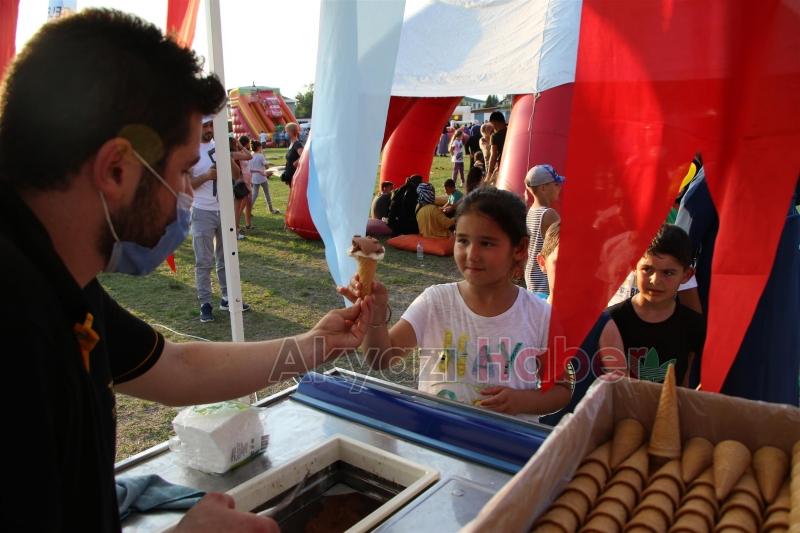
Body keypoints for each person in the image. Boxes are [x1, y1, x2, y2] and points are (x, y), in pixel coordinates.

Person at [0, 11, 373, 531]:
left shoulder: (61, 282)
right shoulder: (15, 320)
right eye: (181, 171)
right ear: (116, 169)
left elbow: (178, 367)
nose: (184, 193)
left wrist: (316, 346)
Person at [340, 187, 572, 421]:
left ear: (519, 249)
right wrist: (375, 315)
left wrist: (523, 401)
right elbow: (381, 358)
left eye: (487, 243)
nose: (472, 254)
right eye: (463, 240)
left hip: (504, 447)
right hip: (436, 442)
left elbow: (561, 390)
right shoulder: (435, 302)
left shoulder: (540, 315)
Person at [598, 224, 706, 386]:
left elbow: (710, 373)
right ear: (634, 265)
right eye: (647, 269)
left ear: (686, 275)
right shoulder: (612, 320)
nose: (655, 280)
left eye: (668, 273)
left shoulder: (693, 325)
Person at [523, 164, 565, 297]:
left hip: (532, 275)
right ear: (543, 188)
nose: (560, 187)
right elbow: (566, 240)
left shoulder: (532, 211)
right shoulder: (549, 214)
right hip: (544, 279)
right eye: (556, 184)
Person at [249, 141, 279, 215]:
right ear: (259, 147)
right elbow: (267, 167)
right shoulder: (260, 156)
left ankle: (248, 210)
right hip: (262, 177)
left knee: (254, 195)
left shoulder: (250, 155)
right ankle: (271, 210)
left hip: (254, 178)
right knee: (267, 194)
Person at [237, 135, 254, 231]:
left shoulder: (244, 152)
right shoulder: (240, 153)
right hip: (243, 180)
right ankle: (237, 224)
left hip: (248, 180)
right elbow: (250, 157)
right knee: (242, 204)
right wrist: (242, 147)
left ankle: (248, 224)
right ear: (246, 143)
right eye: (248, 143)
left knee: (249, 203)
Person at [486, 112, 507, 185]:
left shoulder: (494, 136)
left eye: (491, 124)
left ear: (494, 122)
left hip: (502, 166)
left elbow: (493, 156)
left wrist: (489, 173)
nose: (492, 126)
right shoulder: (512, 131)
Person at [281, 122, 303, 186]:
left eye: (286, 131)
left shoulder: (297, 144)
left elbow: (303, 157)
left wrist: (296, 162)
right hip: (290, 175)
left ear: (291, 132)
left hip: (295, 175)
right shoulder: (291, 144)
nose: (285, 133)